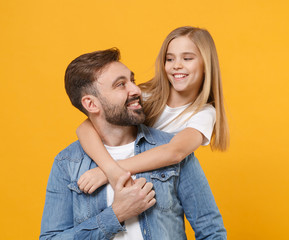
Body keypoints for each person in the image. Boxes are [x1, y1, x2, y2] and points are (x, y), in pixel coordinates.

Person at [40, 48, 226, 239]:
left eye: (132, 80)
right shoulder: (67, 164)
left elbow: (211, 231)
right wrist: (116, 215)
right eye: (121, 84)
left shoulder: (172, 148)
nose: (136, 90)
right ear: (91, 104)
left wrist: (110, 171)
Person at [76, 26, 229, 194]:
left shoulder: (203, 113)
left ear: (206, 64)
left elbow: (174, 152)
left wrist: (109, 172)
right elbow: (85, 127)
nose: (176, 65)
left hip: (155, 188)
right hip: (113, 180)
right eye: (170, 59)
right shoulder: (145, 94)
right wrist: (109, 169)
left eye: (187, 58)